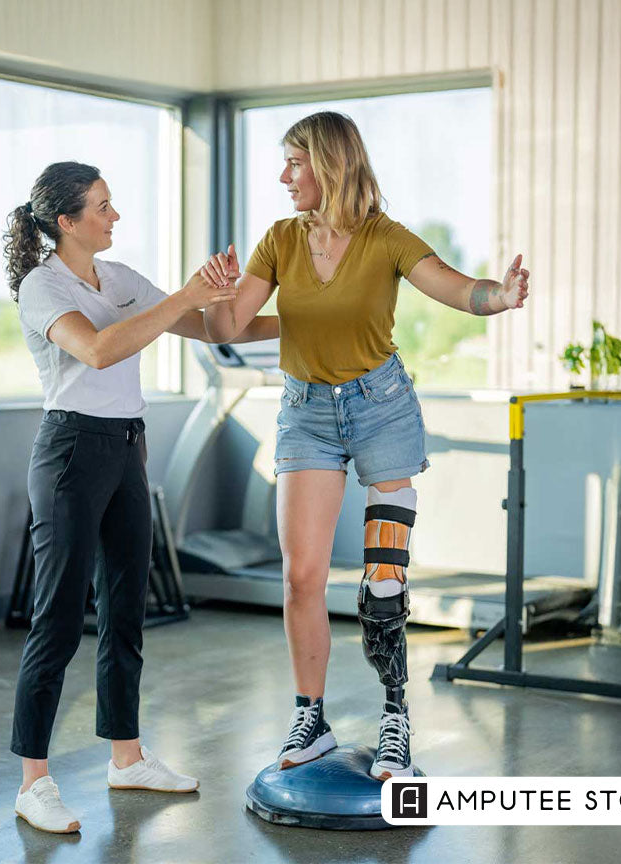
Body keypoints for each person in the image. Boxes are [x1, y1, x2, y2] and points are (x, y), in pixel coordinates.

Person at [201, 112, 529, 780]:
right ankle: (310, 717)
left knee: (384, 582)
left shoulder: (386, 238)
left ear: (331, 163)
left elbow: (455, 287)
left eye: (295, 162)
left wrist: (500, 295)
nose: (283, 175)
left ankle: (394, 718)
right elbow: (227, 326)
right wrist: (217, 291)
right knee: (301, 577)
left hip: (382, 411)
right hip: (305, 413)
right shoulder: (279, 240)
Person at [2, 160, 278, 833]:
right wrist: (183, 296)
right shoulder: (42, 286)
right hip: (70, 452)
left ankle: (126, 757)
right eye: (102, 206)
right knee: (61, 618)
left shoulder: (121, 280)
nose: (114, 216)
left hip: (126, 447)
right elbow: (97, 350)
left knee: (127, 608)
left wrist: (310, 322)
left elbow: (215, 328)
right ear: (66, 221)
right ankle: (33, 781)